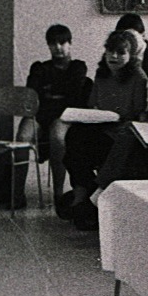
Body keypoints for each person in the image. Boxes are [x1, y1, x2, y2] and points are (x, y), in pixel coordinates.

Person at [63, 30, 148, 229]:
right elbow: (93, 104)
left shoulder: (138, 77)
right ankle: (82, 191)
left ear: (130, 56)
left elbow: (138, 111)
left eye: (121, 53)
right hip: (101, 125)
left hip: (121, 131)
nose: (114, 57)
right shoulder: (101, 74)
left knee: (89, 145)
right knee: (74, 135)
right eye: (110, 52)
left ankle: (89, 197)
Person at [19, 23, 90, 209]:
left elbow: (74, 94)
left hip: (64, 116)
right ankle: (17, 193)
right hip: (40, 115)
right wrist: (55, 94)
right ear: (48, 46)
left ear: (70, 44)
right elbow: (32, 94)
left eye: (62, 43)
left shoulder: (77, 67)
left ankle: (58, 193)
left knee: (57, 137)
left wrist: (50, 93)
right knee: (22, 137)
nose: (58, 47)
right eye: (53, 43)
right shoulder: (39, 68)